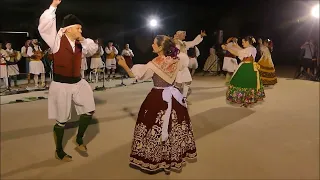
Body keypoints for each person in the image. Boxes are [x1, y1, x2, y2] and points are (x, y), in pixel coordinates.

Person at [116, 35, 197, 175]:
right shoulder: (177, 60)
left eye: (154, 44)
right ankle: (172, 158)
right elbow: (180, 78)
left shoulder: (154, 64)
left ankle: (156, 159)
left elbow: (136, 76)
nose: (152, 45)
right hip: (174, 96)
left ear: (160, 47)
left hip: (158, 97)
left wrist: (124, 66)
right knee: (173, 127)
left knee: (152, 126)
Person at [38, 0, 98, 161]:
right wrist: (53, 7)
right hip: (61, 85)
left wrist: (83, 39)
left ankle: (79, 139)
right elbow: (44, 26)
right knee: (62, 120)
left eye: (81, 28)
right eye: (78, 28)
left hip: (78, 82)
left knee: (89, 110)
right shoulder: (56, 40)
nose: (80, 30)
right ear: (68, 29)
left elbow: (93, 49)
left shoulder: (81, 44)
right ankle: (59, 150)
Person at [222, 36, 265, 107]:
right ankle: (249, 99)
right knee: (250, 83)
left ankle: (244, 99)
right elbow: (243, 51)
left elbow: (238, 53)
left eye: (243, 42)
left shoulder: (248, 49)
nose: (242, 43)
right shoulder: (252, 48)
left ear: (247, 42)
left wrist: (227, 48)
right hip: (251, 67)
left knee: (240, 81)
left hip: (246, 67)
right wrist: (237, 46)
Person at [174, 30, 206, 103]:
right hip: (177, 66)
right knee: (178, 83)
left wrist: (200, 36)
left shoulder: (184, 43)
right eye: (183, 34)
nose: (185, 36)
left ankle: (184, 98)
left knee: (188, 81)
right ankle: (176, 98)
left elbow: (193, 42)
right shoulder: (174, 42)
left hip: (184, 66)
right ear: (179, 35)